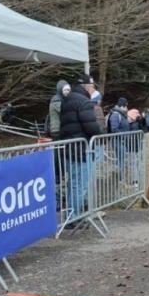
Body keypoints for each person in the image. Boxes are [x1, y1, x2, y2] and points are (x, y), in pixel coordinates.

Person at [60, 73, 103, 216]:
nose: (93, 89)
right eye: (92, 86)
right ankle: (75, 217)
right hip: (80, 150)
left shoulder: (67, 99)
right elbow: (91, 127)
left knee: (72, 183)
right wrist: (101, 135)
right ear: (87, 85)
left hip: (69, 148)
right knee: (79, 185)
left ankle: (71, 216)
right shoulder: (84, 101)